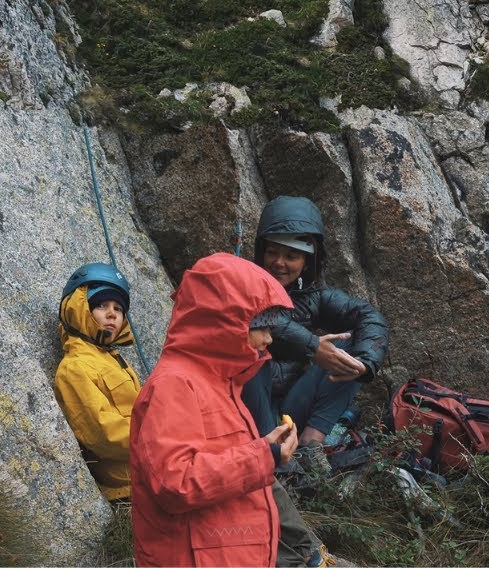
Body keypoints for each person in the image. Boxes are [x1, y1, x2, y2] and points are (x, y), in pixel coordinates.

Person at [130, 253, 299, 567]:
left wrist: (268, 448)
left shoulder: (224, 384)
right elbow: (175, 483)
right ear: (224, 322)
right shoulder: (175, 384)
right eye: (260, 325)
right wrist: (265, 455)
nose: (268, 338)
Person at [242, 195, 389, 476]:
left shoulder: (314, 296)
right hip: (247, 406)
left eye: (291, 256)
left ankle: (311, 443)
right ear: (261, 251)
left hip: (290, 406)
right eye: (272, 252)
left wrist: (365, 362)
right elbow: (266, 318)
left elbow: (369, 316)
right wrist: (313, 346)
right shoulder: (243, 283)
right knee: (255, 358)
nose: (279, 263)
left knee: (347, 347)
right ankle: (270, 456)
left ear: (308, 261)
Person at [53, 263, 141, 501]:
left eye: (119, 308)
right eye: (101, 305)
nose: (112, 313)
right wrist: (159, 436)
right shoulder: (74, 368)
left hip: (151, 464)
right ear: (81, 308)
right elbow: (102, 434)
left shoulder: (115, 361)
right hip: (130, 483)